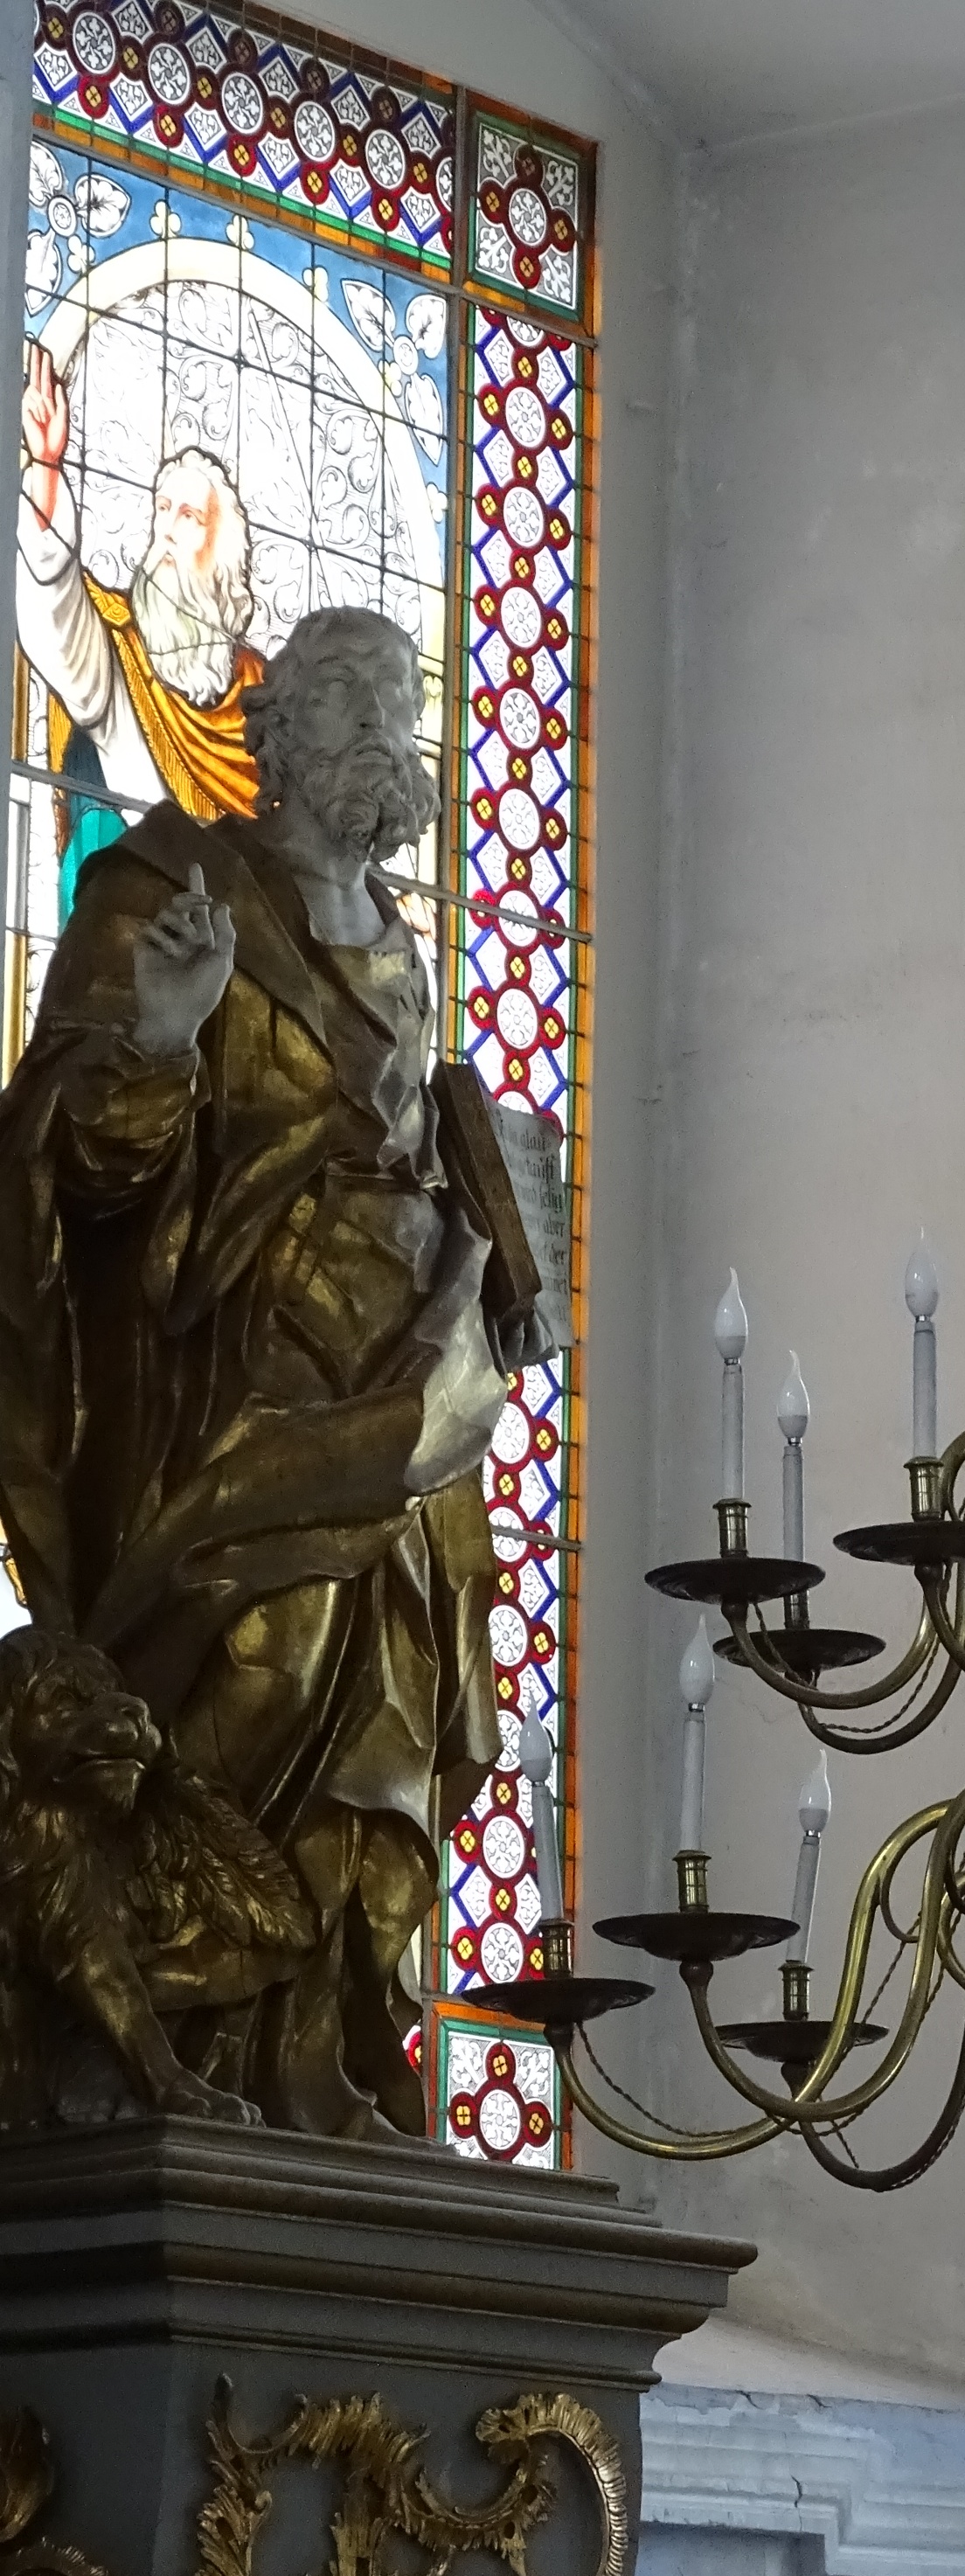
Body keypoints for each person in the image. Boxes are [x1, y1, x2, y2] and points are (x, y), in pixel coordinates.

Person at [0, 607, 549, 2137]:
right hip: (233, 1379)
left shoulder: (401, 936)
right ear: (289, 730)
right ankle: (156, 2043)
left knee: (390, 1709)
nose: (402, 742)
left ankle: (335, 2057)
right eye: (371, 709)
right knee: (257, 1669)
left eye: (413, 712)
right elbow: (80, 1177)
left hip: (418, 1379)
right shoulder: (164, 891)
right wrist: (160, 1049)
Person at [17, 339, 265, 880]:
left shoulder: (265, 693)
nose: (167, 529)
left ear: (222, 553)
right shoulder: (120, 651)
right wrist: (47, 469)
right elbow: (56, 620)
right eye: (162, 508)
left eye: (190, 516)